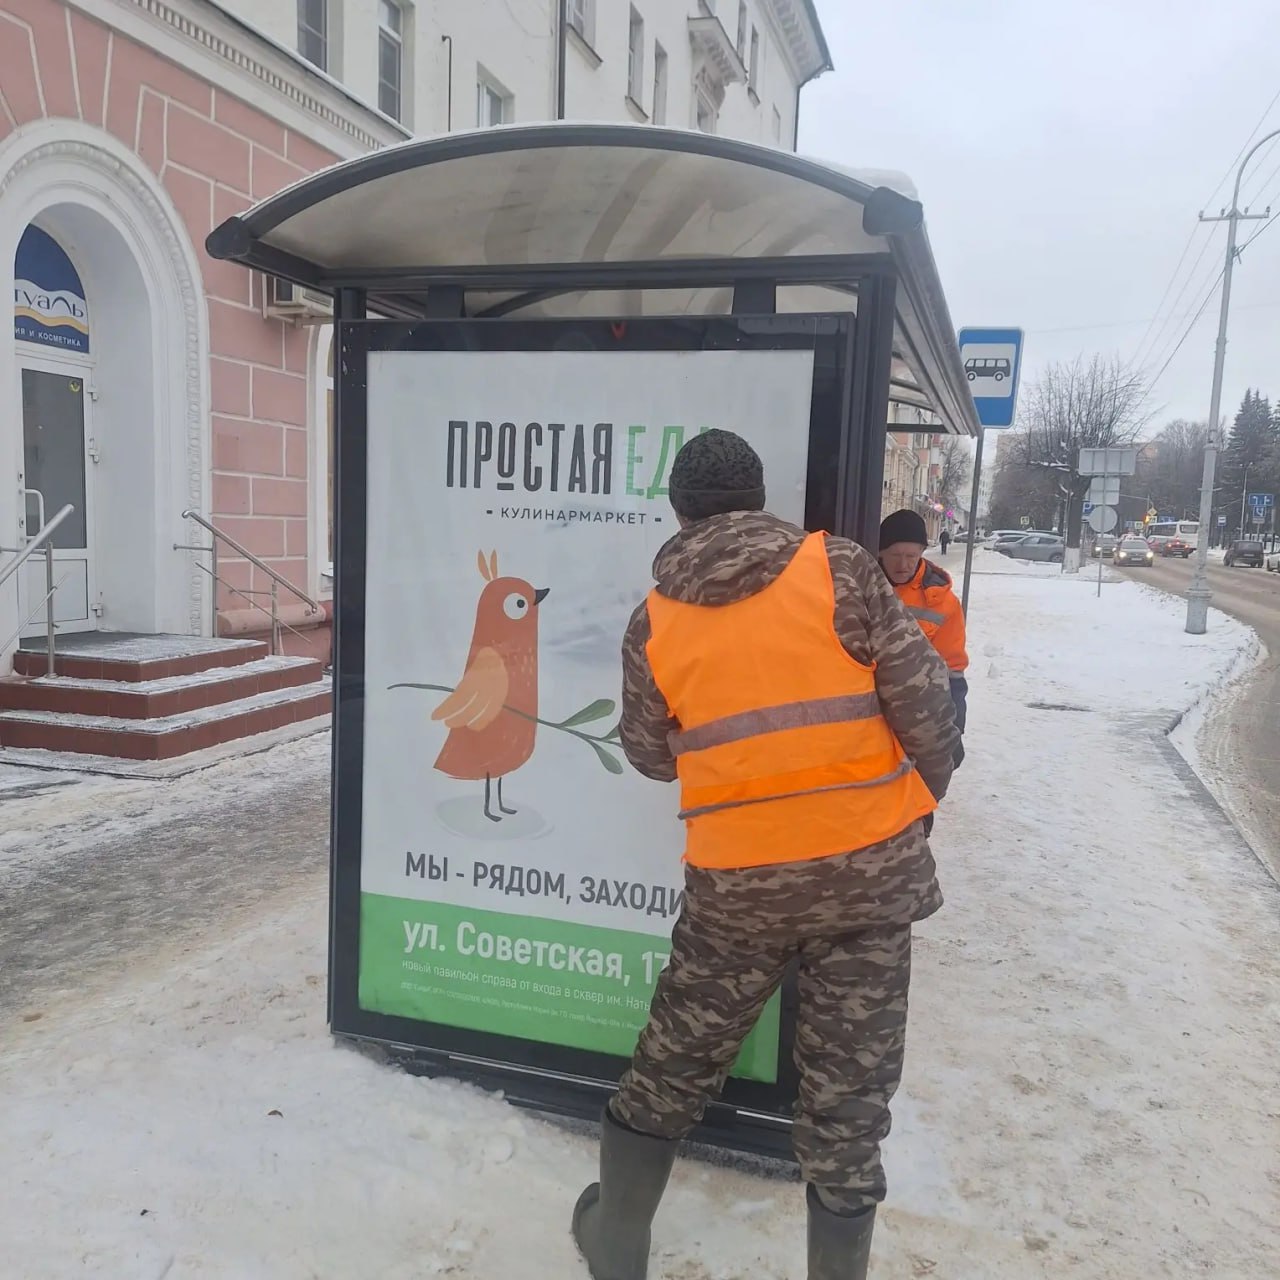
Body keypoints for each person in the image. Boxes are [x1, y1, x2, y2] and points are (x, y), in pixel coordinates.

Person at [572, 430, 960, 1280]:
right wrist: (917, 804)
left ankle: (617, 1243)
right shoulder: (843, 569)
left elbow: (647, 750)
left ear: (681, 511)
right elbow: (928, 704)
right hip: (867, 878)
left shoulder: (654, 621)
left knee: (674, 1062)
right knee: (849, 1101)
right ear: (755, 500)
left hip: (736, 889)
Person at [878, 509, 969, 743]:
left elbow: (952, 670)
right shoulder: (859, 586)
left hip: (917, 719)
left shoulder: (943, 603)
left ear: (921, 553)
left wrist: (954, 727)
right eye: (895, 554)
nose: (903, 564)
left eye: (911, 555)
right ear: (880, 552)